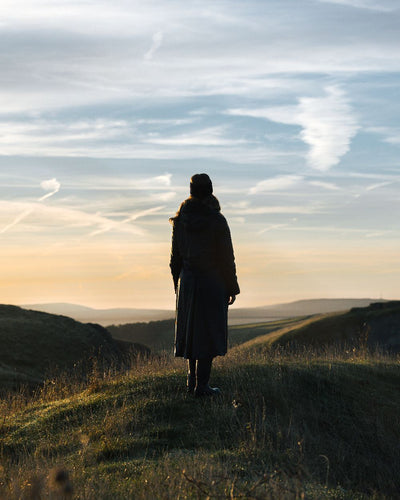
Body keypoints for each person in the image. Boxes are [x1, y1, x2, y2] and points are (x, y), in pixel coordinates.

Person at [169, 173, 240, 396]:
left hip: (188, 282)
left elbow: (174, 259)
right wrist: (231, 286)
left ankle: (192, 382)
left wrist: (178, 286)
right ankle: (203, 386)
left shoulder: (180, 221)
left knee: (191, 332)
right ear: (210, 191)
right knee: (208, 332)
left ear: (190, 192)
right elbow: (226, 257)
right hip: (212, 282)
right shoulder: (217, 221)